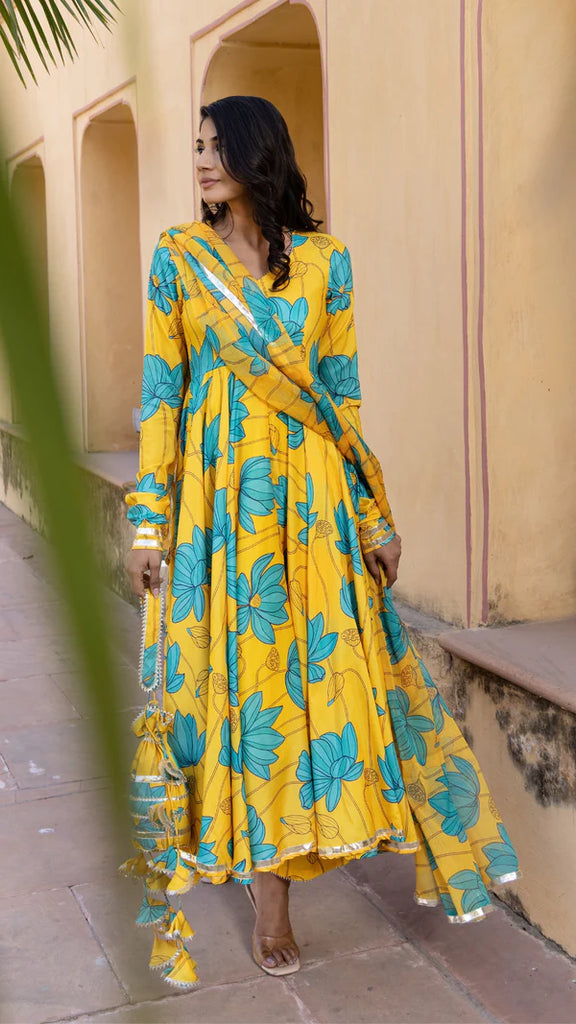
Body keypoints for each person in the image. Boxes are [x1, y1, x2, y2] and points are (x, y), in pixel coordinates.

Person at [125, 95, 519, 983]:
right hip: (222, 517)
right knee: (243, 693)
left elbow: (341, 400)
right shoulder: (179, 260)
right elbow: (160, 396)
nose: (201, 161)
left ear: (258, 152)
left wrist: (373, 517)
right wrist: (149, 521)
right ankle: (270, 906)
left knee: (316, 691)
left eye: (217, 146)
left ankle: (319, 842)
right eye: (197, 147)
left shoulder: (325, 264)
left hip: (313, 513)